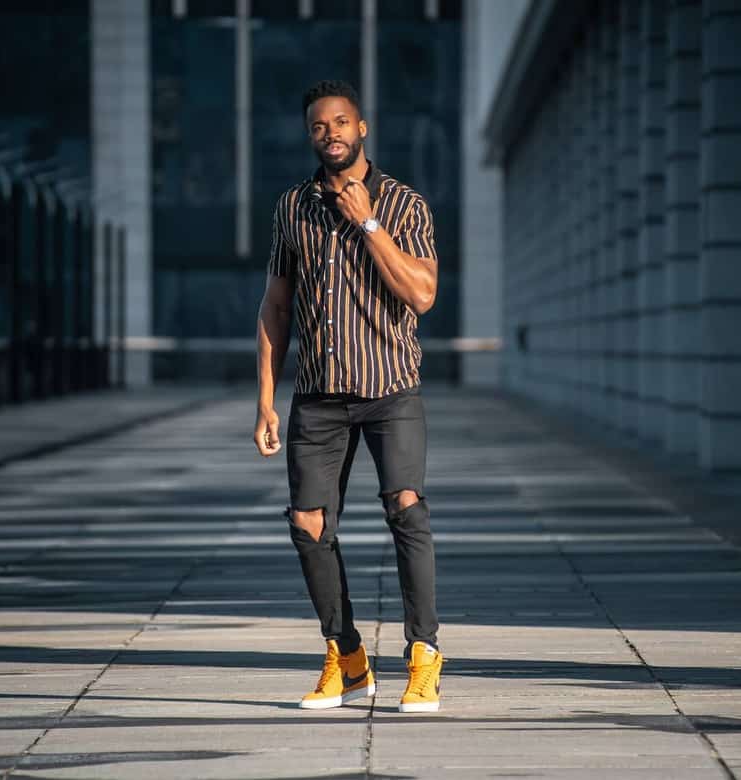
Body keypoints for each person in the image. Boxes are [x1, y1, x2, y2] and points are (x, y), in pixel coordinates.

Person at [254, 80, 442, 713]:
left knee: (406, 509)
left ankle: (424, 658)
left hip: (390, 386)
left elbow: (421, 294)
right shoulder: (291, 208)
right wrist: (265, 401)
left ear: (361, 128)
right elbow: (277, 305)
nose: (329, 132)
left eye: (340, 122)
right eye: (317, 126)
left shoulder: (405, 204)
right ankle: (347, 656)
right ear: (311, 136)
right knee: (308, 525)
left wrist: (367, 222)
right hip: (319, 396)